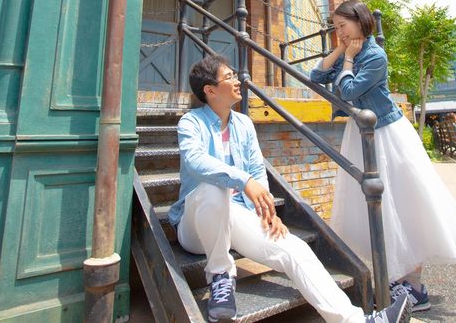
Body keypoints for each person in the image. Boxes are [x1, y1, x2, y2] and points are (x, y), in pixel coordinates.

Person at [168, 55, 411, 323]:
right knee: (214, 188)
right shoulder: (191, 122)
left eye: (236, 75)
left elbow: (257, 170)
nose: (238, 81)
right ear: (210, 90)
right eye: (229, 77)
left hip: (237, 216)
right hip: (196, 224)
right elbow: (196, 161)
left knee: (294, 248)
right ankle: (220, 277)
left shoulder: (244, 124)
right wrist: (242, 181)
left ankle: (357, 320)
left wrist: (268, 212)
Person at [310, 0, 456, 313]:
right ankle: (397, 279)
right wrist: (340, 51)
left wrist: (348, 60)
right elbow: (315, 77)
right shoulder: (352, 51)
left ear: (361, 22)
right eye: (335, 27)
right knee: (380, 209)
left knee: (403, 204)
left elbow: (348, 91)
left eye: (342, 25)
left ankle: (414, 287)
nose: (339, 31)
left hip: (387, 134)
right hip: (364, 132)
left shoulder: (375, 55)